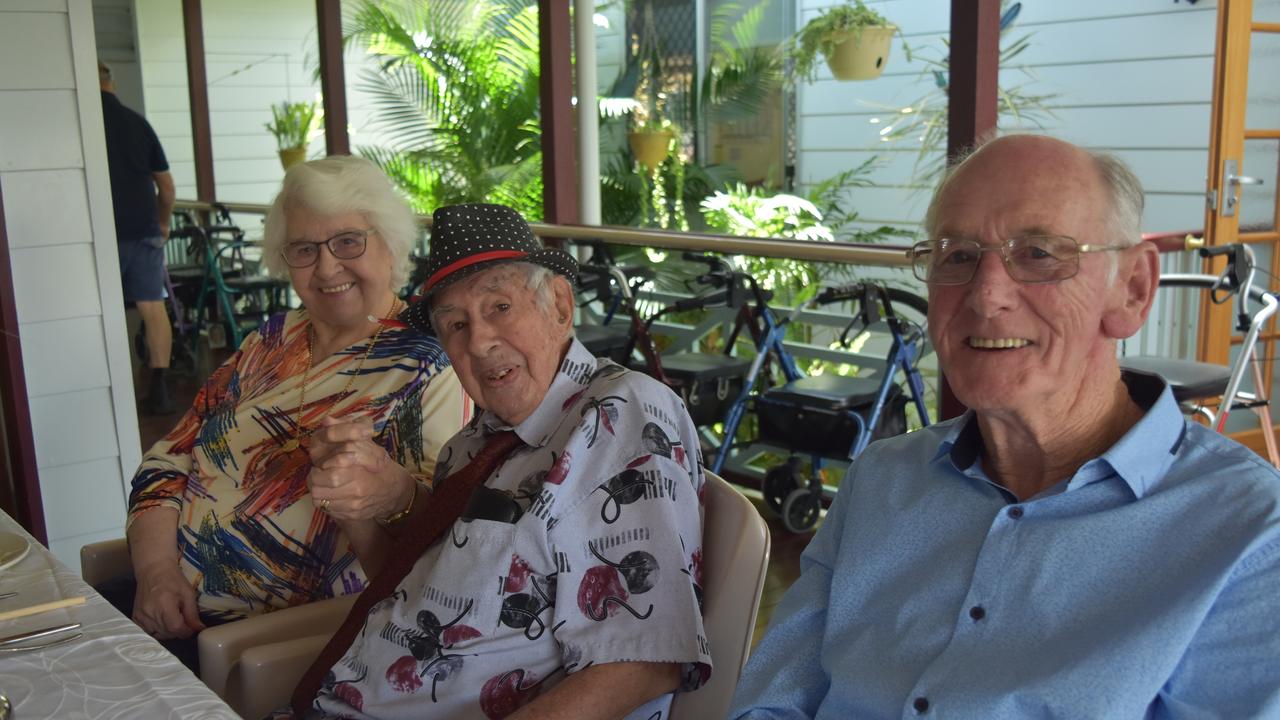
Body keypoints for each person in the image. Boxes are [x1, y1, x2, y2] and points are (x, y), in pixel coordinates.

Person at [730, 135, 1280, 718]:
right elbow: (772, 704)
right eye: (958, 255)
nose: (986, 294)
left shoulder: (1247, 535)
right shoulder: (882, 481)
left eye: (1040, 253)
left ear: (1133, 289)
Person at [290, 203, 711, 719]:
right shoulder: (473, 442)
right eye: (456, 324)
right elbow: (412, 594)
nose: (480, 341)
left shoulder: (619, 417)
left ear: (559, 304)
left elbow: (647, 661)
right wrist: (357, 508)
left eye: (499, 308)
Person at [112, 155, 470, 673]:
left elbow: (434, 533)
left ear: (390, 244)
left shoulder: (428, 361)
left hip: (262, 643)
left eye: (348, 241)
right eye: (304, 249)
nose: (327, 268)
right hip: (162, 603)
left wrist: (379, 487)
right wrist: (155, 572)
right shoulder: (270, 340)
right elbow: (168, 460)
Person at [99, 60, 178, 414]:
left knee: (103, 311)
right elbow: (166, 185)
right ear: (111, 83)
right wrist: (162, 222)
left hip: (102, 233)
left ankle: (111, 388)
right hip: (144, 228)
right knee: (152, 307)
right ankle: (159, 386)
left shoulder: (82, 123)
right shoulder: (137, 122)